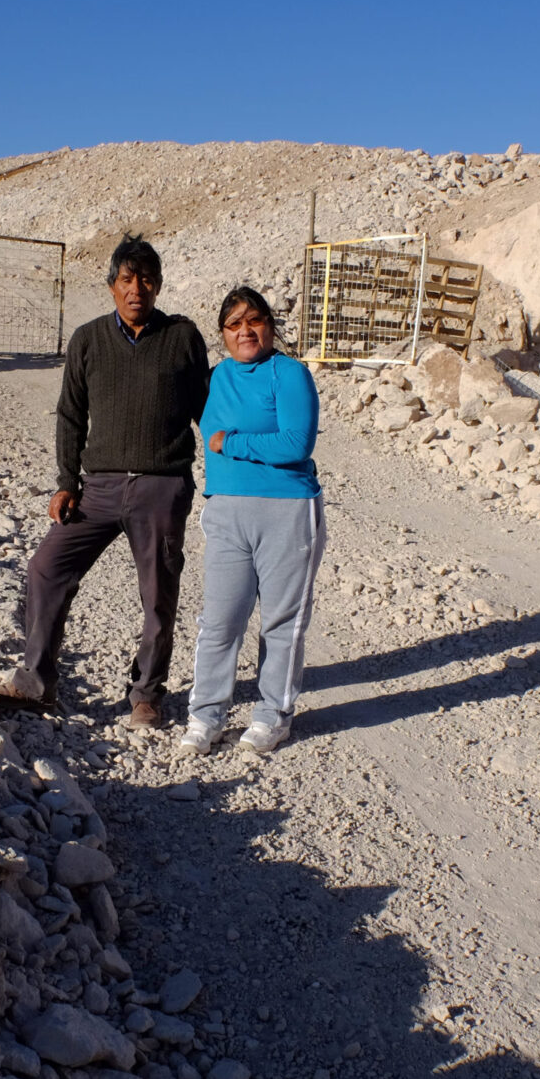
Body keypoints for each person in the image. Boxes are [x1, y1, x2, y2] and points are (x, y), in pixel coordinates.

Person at [0, 235, 210, 728]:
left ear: (158, 285)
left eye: (147, 279)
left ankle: (147, 694)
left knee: (158, 592)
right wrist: (66, 481)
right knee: (46, 568)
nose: (138, 289)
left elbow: (206, 410)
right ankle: (36, 682)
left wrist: (221, 470)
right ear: (112, 285)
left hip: (160, 486)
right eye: (127, 279)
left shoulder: (182, 336)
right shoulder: (88, 339)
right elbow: (71, 415)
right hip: (98, 487)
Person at [179, 286, 325, 756]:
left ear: (270, 326)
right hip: (226, 510)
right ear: (222, 333)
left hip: (287, 511)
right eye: (234, 324)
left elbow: (296, 443)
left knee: (281, 622)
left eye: (254, 321)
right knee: (220, 619)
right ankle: (206, 717)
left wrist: (230, 442)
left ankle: (272, 716)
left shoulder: (290, 374)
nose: (245, 331)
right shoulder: (215, 377)